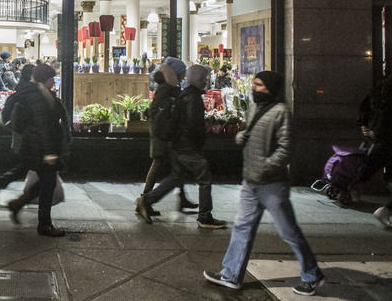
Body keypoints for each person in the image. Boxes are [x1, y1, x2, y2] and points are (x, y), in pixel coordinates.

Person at [204, 71, 325, 296]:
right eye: (254, 84)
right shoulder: (254, 109)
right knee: (242, 227)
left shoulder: (281, 113)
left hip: (272, 185)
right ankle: (231, 274)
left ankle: (312, 274)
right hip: (251, 182)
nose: (254, 88)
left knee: (288, 231)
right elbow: (252, 136)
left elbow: (286, 149)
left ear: (270, 88)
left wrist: (266, 165)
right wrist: (242, 137)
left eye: (259, 85)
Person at [137, 64, 226, 229]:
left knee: (175, 178)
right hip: (187, 146)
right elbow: (192, 125)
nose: (206, 81)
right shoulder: (192, 98)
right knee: (205, 178)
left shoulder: (185, 94)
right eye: (204, 78)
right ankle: (205, 216)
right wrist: (199, 140)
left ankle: (146, 200)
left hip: (177, 144)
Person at [7, 64, 70, 237]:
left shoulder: (41, 94)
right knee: (48, 184)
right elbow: (43, 126)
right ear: (45, 79)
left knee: (45, 182)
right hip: (41, 147)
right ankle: (44, 224)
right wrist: (49, 153)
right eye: (52, 78)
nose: (53, 81)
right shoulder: (39, 96)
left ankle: (18, 204)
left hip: (37, 146)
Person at [140, 60, 196, 216]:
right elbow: (156, 110)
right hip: (162, 134)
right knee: (159, 164)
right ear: (176, 72)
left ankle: (182, 198)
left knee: (177, 166)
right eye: (183, 71)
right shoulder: (167, 88)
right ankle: (144, 199)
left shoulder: (169, 86)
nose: (185, 74)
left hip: (165, 132)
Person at [0, 64, 36, 199]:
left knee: (28, 163)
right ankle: (8, 185)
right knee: (29, 164)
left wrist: (10, 125)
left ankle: (6, 183)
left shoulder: (21, 88)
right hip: (28, 132)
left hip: (22, 130)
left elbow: (7, 110)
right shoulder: (29, 89)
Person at [358, 73, 392, 227]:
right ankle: (386, 210)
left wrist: (365, 125)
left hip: (381, 137)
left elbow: (365, 105)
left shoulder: (381, 86)